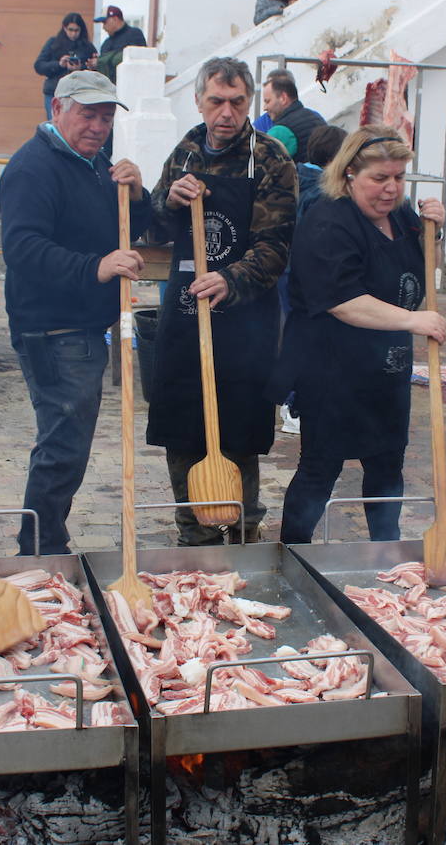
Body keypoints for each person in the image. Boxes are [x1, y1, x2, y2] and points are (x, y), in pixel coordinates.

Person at [146, 56, 297, 545]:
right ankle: (194, 534)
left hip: (245, 327)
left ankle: (243, 532)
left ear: (249, 101)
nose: (226, 113)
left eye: (236, 102)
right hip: (185, 320)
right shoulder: (186, 152)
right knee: (181, 427)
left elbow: (276, 246)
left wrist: (230, 279)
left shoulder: (271, 158)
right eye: (216, 101)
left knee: (239, 433)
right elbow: (154, 224)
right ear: (199, 101)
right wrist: (169, 200)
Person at [0, 71, 150, 556]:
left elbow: (128, 227)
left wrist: (138, 194)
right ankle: (40, 550)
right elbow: (22, 249)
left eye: (106, 117)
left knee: (69, 444)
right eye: (88, 115)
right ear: (57, 109)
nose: (98, 126)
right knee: (63, 447)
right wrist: (96, 267)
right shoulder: (33, 168)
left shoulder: (93, 162)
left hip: (80, 326)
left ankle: (45, 542)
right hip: (52, 328)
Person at [271, 127, 444, 542]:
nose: (391, 189)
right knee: (319, 468)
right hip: (330, 370)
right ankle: (292, 553)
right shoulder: (327, 221)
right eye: (380, 178)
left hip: (386, 370)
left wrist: (433, 234)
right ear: (349, 173)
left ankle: (385, 553)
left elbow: (425, 274)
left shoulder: (402, 216)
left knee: (387, 467)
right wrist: (411, 321)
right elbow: (342, 300)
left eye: (399, 177)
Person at [277, 124, 348, 436]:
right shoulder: (323, 192)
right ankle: (295, 406)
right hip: (306, 279)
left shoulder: (294, 179)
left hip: (284, 274)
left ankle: (292, 400)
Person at [34, 13, 98, 120]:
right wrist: (59, 64)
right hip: (55, 92)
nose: (73, 34)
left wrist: (81, 68)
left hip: (78, 93)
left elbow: (95, 71)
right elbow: (39, 66)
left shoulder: (87, 47)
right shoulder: (53, 43)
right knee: (55, 124)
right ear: (64, 28)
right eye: (70, 30)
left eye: (76, 30)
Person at [261, 69, 325, 158]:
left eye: (267, 101)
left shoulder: (280, 131)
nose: (265, 108)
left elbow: (259, 163)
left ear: (283, 98)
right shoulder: (315, 117)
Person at [93, 5, 147, 81]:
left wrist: (101, 61)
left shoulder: (134, 34)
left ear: (115, 19)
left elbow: (136, 59)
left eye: (105, 22)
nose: (103, 27)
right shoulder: (106, 44)